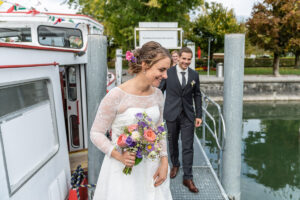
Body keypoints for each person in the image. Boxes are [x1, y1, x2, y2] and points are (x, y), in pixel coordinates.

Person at [90, 41, 173, 200]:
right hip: (123, 168)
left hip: (152, 168)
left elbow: (160, 129)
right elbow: (96, 133)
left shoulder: (157, 95)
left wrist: (164, 161)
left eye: (166, 70)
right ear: (145, 65)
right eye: (162, 70)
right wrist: (119, 155)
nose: (165, 76)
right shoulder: (116, 95)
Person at [159, 47, 202, 193]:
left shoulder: (194, 75)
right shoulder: (168, 73)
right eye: (184, 58)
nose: (186, 62)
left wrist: (199, 115)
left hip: (188, 116)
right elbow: (159, 92)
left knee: (188, 146)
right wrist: (156, 113)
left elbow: (197, 95)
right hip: (171, 113)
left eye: (189, 59)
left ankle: (188, 177)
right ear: (178, 58)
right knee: (172, 142)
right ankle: (175, 164)